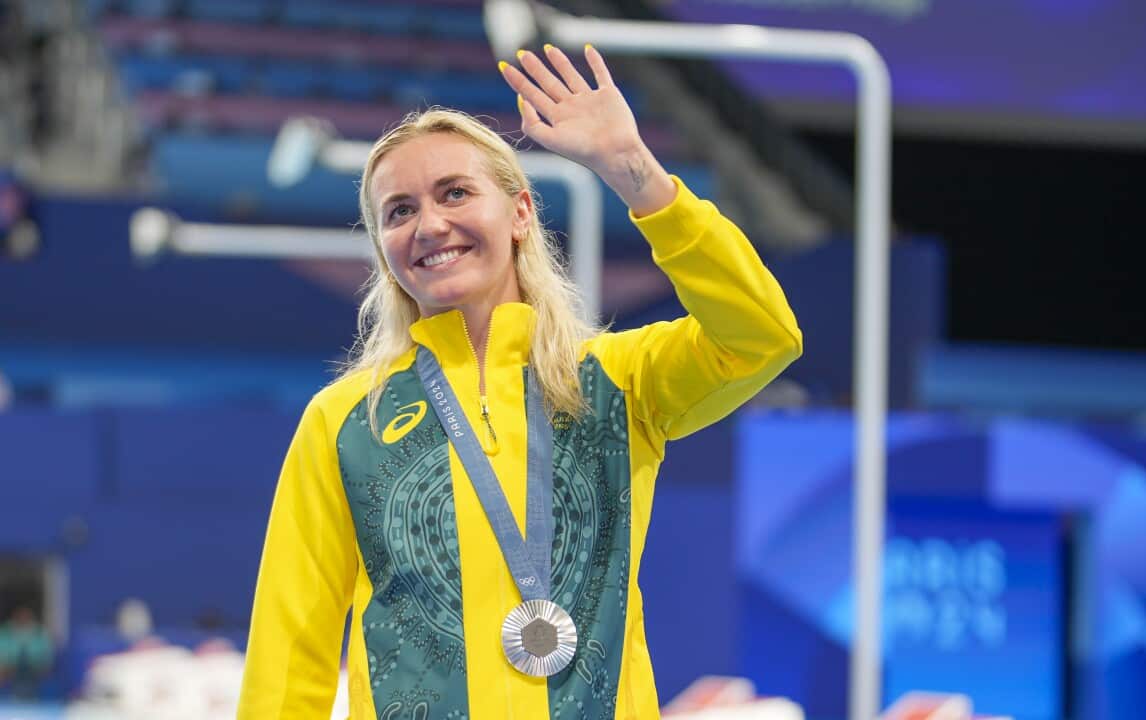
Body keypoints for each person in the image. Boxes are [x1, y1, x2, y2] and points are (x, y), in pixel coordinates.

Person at [237, 45, 801, 719]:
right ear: (384, 251)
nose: (430, 224)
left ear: (521, 214)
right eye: (399, 211)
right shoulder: (346, 419)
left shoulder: (617, 382)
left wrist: (636, 173)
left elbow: (762, 335)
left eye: (455, 192)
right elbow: (289, 648)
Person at [0, 605, 54, 700]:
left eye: (26, 616)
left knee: (43, 673)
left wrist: (40, 664)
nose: (23, 618)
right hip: (10, 668)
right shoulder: (5, 631)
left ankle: (35, 699)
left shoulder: (40, 632)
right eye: (20, 615)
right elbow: (2, 653)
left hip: (34, 668)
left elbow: (47, 655)